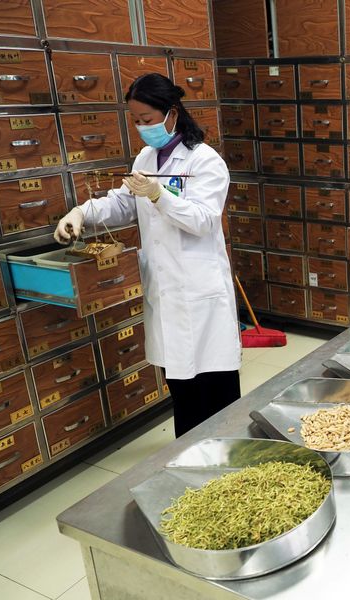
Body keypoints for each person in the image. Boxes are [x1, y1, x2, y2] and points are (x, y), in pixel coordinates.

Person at [53, 73, 241, 438]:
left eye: (148, 120)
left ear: (172, 112)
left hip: (200, 296)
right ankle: (189, 465)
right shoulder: (146, 155)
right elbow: (124, 203)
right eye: (136, 121)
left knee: (216, 397)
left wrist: (159, 195)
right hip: (167, 293)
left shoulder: (205, 161)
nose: (142, 128)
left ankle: (229, 465)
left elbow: (203, 220)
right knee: (184, 396)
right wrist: (81, 213)